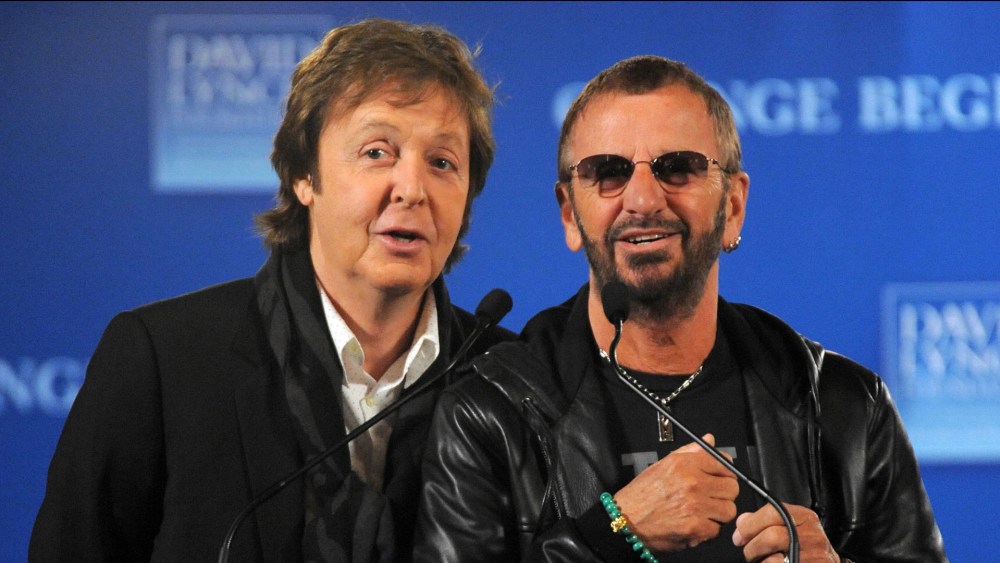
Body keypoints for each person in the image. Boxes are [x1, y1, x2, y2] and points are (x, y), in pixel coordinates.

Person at [414, 55, 947, 562]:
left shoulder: (845, 407)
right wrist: (613, 535)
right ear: (570, 215)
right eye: (609, 171)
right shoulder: (491, 412)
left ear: (733, 206)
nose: (644, 200)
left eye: (678, 169)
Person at [29, 18, 512, 562]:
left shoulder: (507, 379)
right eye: (377, 152)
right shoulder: (163, 359)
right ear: (305, 174)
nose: (413, 189)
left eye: (443, 162)